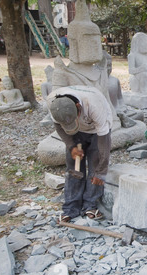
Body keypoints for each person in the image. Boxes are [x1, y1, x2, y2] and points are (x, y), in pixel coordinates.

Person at [47, 85, 113, 223]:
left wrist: (101, 171)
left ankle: (90, 204)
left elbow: (104, 143)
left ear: (78, 106)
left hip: (96, 130)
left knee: (96, 164)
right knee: (73, 167)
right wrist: (71, 146)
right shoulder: (54, 105)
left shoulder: (95, 106)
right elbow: (59, 127)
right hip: (76, 130)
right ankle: (71, 208)